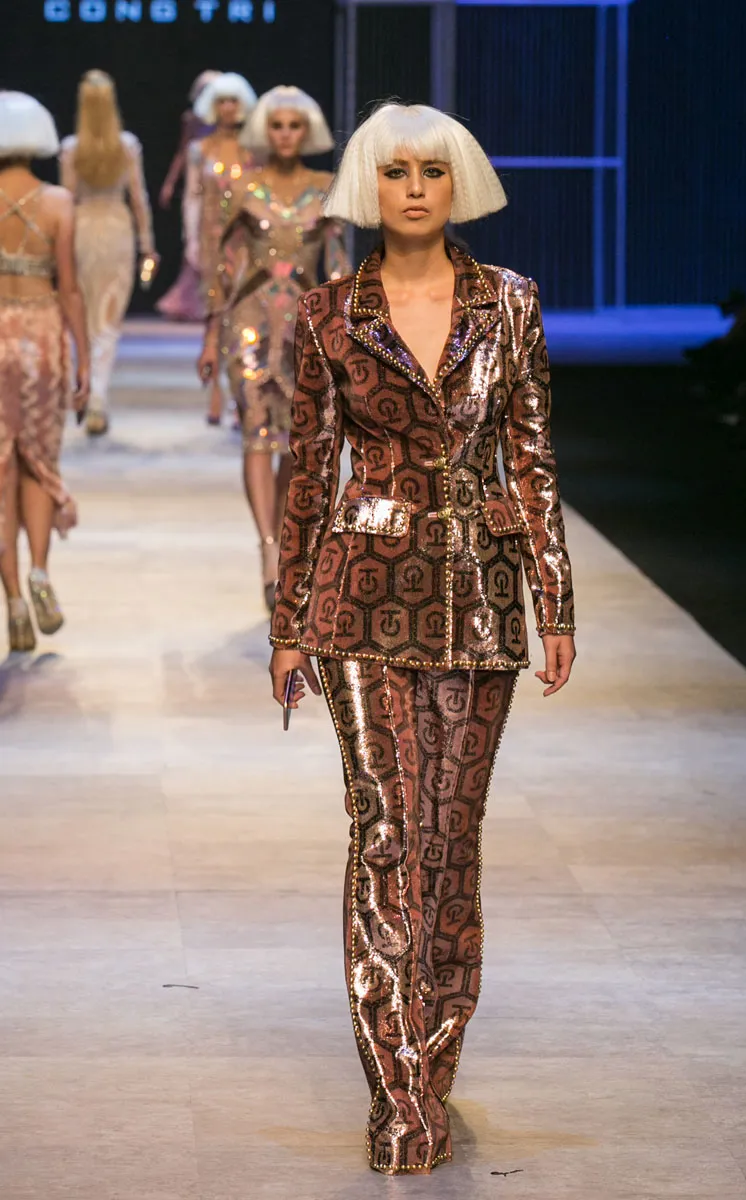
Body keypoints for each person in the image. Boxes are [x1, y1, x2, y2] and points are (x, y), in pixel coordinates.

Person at [268, 102, 576, 1174]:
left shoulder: (512, 304)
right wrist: (288, 623)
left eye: (431, 171)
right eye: (394, 171)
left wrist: (554, 599)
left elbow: (532, 456)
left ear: (458, 184)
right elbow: (307, 472)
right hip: (358, 596)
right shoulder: (326, 314)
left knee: (450, 843)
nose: (412, 188)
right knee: (386, 834)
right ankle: (397, 1092)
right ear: (368, 184)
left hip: (481, 598)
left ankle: (434, 1059)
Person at [198, 86, 350, 612]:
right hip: (248, 324)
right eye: (278, 125)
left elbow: (338, 268)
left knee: (294, 443)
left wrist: (344, 333)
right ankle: (268, 549)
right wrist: (209, 338)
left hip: (305, 329)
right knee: (256, 432)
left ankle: (284, 540)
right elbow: (222, 268)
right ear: (266, 130)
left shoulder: (327, 188)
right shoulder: (242, 187)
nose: (286, 134)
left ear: (307, 131)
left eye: (295, 125)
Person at [0, 92, 90, 652]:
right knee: (38, 461)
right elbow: (70, 288)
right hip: (41, 338)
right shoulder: (57, 202)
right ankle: (38, 572)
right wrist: (84, 359)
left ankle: (12, 598)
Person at [60, 69, 157, 438]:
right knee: (108, 319)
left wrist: (57, 248)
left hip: (82, 230)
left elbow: (66, 200)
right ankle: (98, 395)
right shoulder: (127, 145)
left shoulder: (71, 148)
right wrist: (147, 245)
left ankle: (89, 389)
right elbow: (139, 198)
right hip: (117, 231)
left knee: (85, 316)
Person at [185, 71, 257, 425]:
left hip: (246, 241)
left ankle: (239, 394)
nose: (228, 107)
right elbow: (192, 197)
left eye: (233, 101)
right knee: (213, 314)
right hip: (211, 240)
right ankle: (216, 392)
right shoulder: (200, 149)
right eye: (221, 101)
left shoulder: (254, 149)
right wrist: (190, 241)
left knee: (243, 315)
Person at [155, 70, 220, 323]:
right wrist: (170, 183)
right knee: (193, 240)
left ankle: (211, 300)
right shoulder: (192, 119)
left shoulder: (228, 118)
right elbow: (182, 151)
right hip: (198, 185)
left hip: (221, 185)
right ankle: (191, 301)